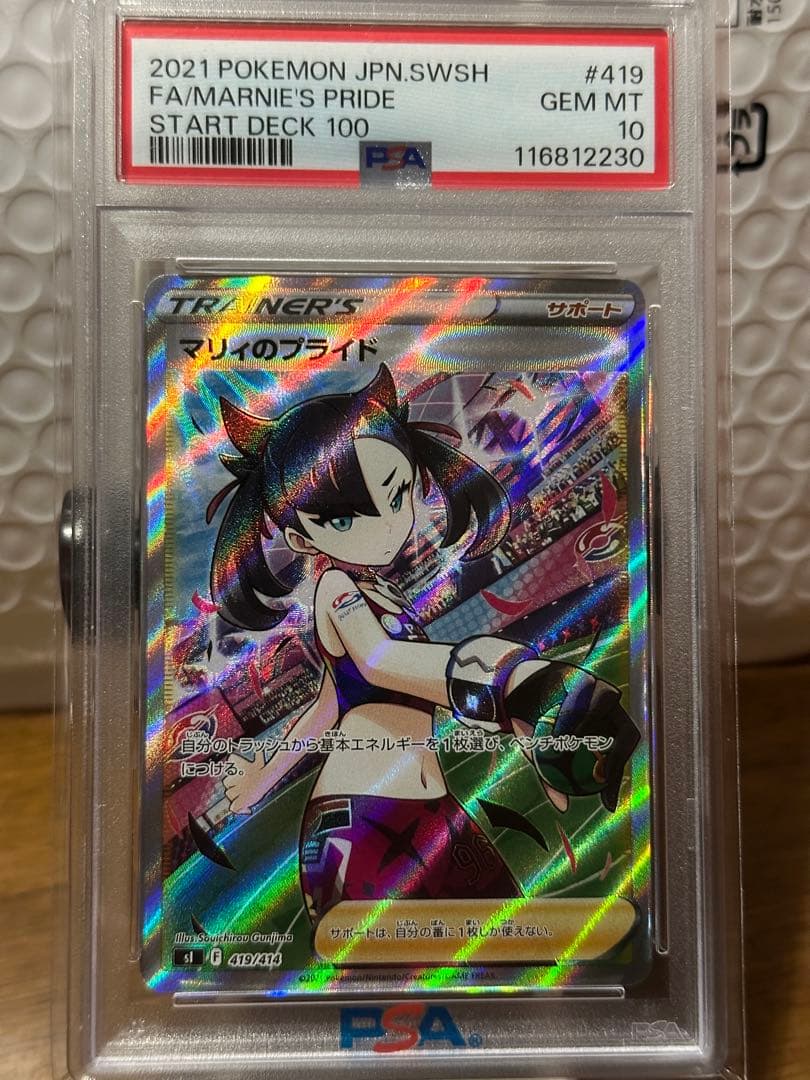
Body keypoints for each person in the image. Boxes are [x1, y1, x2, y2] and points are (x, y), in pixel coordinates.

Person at [209, 365, 639, 921]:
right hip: (364, 819)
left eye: (398, 494)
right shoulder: (336, 588)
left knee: (512, 945)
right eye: (343, 520)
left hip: (432, 810)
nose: (388, 525)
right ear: (299, 537)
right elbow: (380, 662)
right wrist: (511, 682)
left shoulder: (380, 592)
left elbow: (327, 707)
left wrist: (262, 774)